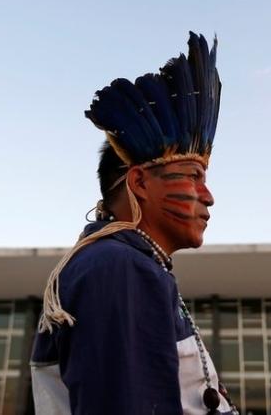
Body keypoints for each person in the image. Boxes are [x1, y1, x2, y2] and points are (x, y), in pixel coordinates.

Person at [30, 32, 238, 414]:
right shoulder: (118, 268)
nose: (207, 197)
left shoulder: (124, 265)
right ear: (140, 182)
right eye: (193, 176)